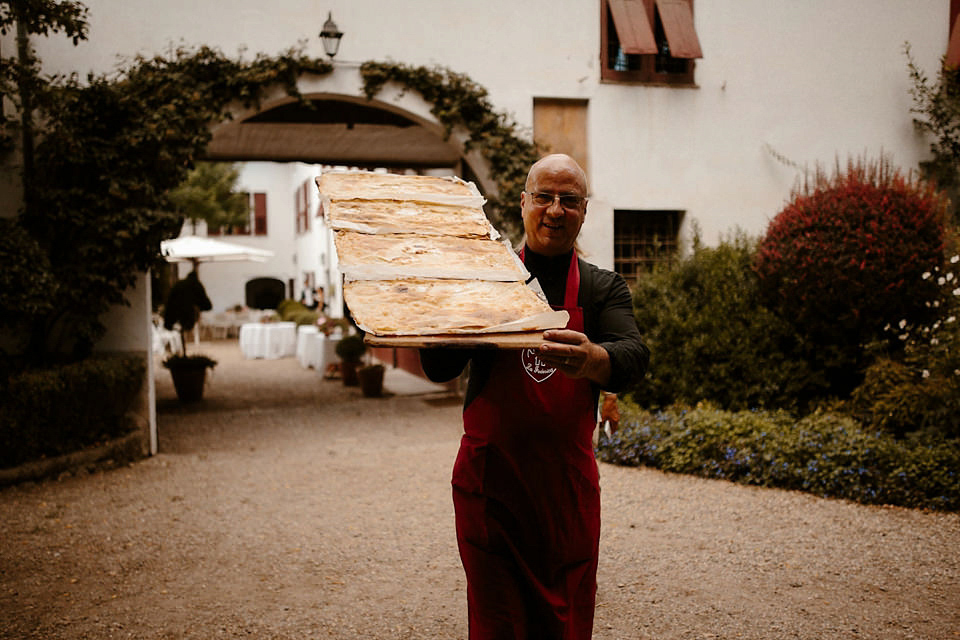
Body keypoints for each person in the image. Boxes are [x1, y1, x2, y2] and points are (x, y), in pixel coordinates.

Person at [420, 154, 649, 639]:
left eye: (569, 200)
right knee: (496, 621)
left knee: (564, 622)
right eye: (543, 197)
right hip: (491, 487)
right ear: (523, 203)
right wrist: (455, 312)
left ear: (584, 211)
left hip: (565, 492)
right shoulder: (487, 281)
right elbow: (437, 367)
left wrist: (593, 361)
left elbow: (633, 356)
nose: (554, 209)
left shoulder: (601, 287)